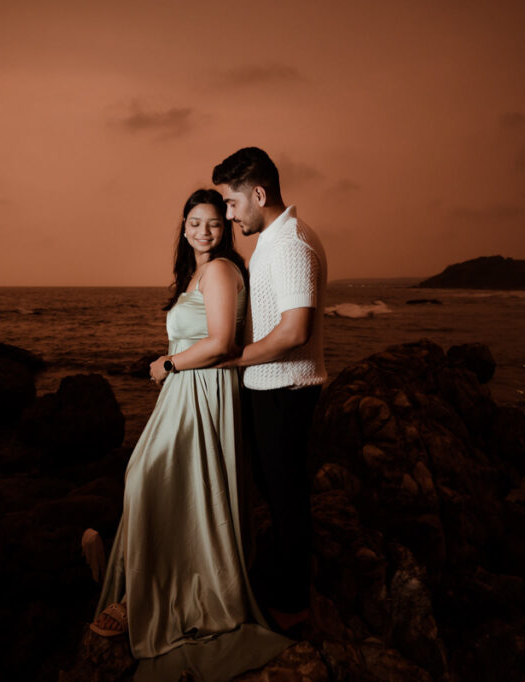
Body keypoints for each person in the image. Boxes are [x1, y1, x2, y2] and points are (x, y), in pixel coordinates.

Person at [90, 189, 292, 681]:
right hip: (185, 390)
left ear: (224, 230)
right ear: (184, 227)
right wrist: (173, 369)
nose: (204, 231)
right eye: (196, 223)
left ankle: (148, 595)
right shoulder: (194, 273)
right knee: (162, 482)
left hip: (204, 388)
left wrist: (168, 363)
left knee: (147, 477)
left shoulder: (221, 270)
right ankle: (133, 585)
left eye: (214, 224)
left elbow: (222, 342)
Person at [212, 147, 327, 634]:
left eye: (234, 203)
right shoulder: (275, 241)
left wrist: (235, 357)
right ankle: (283, 580)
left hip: (286, 389)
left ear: (259, 193)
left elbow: (295, 331)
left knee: (286, 498)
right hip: (271, 387)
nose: (229, 214)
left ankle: (293, 605)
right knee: (277, 493)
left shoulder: (291, 243)